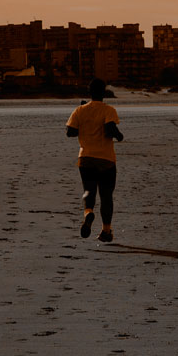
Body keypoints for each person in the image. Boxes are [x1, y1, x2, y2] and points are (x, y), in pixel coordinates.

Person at [66, 78, 123, 242]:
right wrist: (119, 135)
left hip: (86, 158)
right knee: (106, 196)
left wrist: (84, 122)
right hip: (106, 159)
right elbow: (110, 129)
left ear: (89, 92)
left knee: (89, 191)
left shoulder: (80, 110)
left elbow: (70, 132)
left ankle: (89, 212)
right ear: (104, 92)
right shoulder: (108, 110)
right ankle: (106, 230)